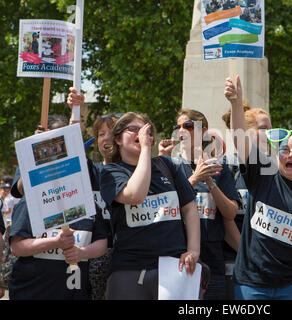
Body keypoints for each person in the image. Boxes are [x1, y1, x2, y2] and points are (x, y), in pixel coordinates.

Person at [225, 75, 292, 300]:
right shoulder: (262, 174)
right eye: (284, 150)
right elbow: (240, 140)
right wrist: (236, 103)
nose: (290, 155)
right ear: (277, 154)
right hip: (252, 283)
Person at [100, 112, 201, 300]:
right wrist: (146, 150)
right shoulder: (111, 172)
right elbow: (135, 195)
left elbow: (189, 208)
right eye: (133, 130)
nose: (141, 134)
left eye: (146, 131)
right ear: (118, 139)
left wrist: (193, 250)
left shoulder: (167, 166)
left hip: (173, 269)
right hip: (129, 270)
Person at [8, 114, 109, 300]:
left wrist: (82, 252)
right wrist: (56, 242)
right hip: (32, 292)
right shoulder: (33, 199)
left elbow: (102, 242)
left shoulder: (84, 200)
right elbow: (17, 247)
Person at [159, 108, 240, 300]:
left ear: (203, 131)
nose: (181, 131)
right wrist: (195, 179)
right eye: (177, 127)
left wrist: (210, 182)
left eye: (187, 126)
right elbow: (166, 208)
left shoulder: (219, 168)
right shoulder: (171, 167)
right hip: (178, 257)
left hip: (213, 257)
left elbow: (231, 213)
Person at [66, 87, 122, 300]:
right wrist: (76, 111)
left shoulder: (136, 175)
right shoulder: (91, 170)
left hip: (125, 257)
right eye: (101, 134)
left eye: (113, 133)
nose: (105, 138)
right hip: (91, 256)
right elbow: (73, 150)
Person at [221, 102, 272, 299]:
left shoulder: (275, 168)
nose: (269, 133)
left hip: (266, 265)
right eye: (263, 129)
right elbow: (226, 221)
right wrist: (249, 253)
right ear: (244, 132)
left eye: (271, 128)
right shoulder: (228, 167)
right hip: (233, 262)